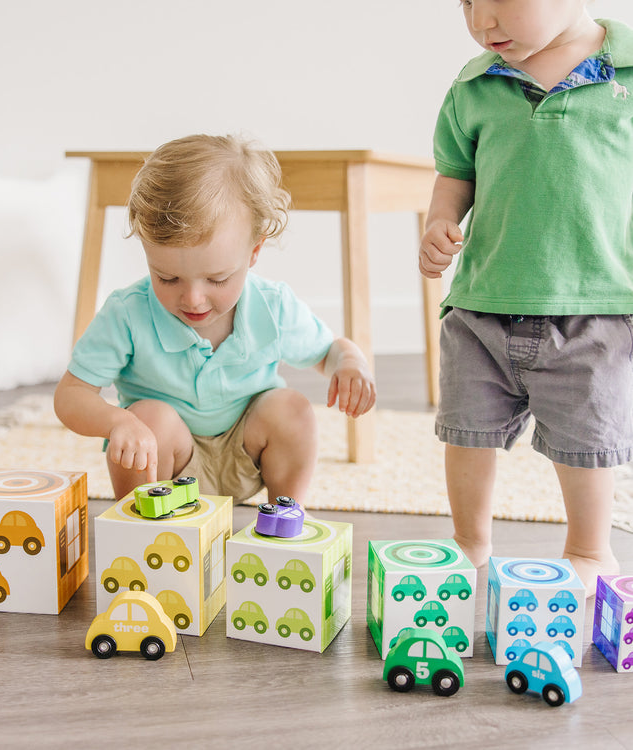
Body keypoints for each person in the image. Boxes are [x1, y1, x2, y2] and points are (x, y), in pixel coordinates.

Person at [419, 0, 633, 595]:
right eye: (467, 3)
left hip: (596, 304)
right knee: (466, 430)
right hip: (483, 299)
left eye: (501, 2)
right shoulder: (474, 84)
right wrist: (441, 222)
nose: (482, 23)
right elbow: (455, 171)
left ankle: (590, 548)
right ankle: (469, 540)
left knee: (586, 441)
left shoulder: (628, 71)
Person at [55, 134, 376, 506]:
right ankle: (143, 529)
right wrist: (117, 423)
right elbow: (70, 395)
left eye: (218, 279)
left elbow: (328, 351)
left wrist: (349, 362)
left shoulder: (272, 305)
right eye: (167, 278)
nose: (192, 299)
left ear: (254, 252)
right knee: (149, 418)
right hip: (166, 468)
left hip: (248, 458)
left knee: (292, 409)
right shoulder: (127, 312)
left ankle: (287, 517)